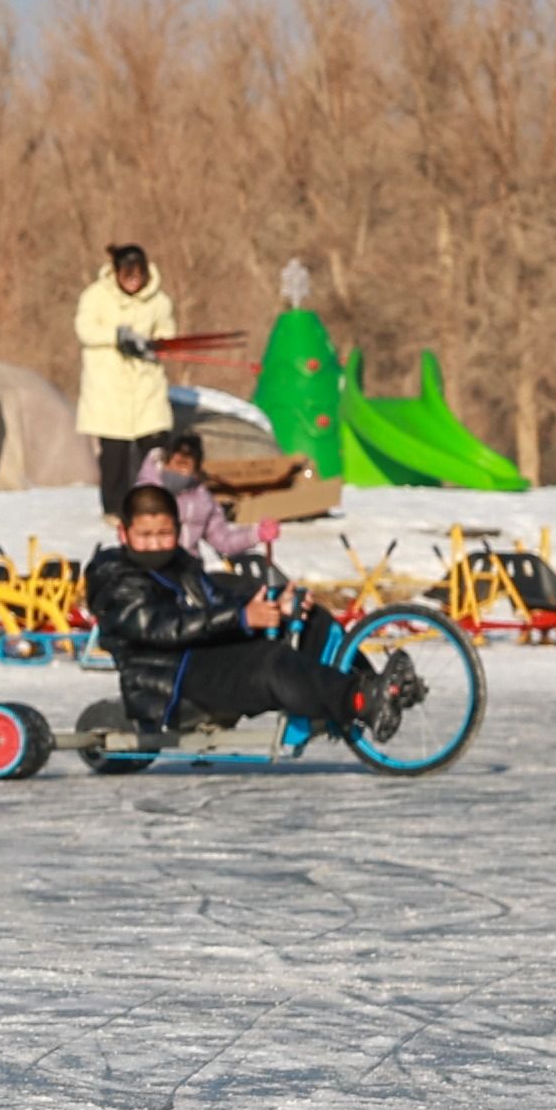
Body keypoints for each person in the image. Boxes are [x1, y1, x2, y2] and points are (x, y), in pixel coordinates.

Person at [87, 482, 418, 740]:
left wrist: (276, 604)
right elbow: (163, 627)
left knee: (309, 621)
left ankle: (377, 686)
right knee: (268, 663)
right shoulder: (116, 579)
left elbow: (217, 600)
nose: (157, 544)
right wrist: (242, 618)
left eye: (164, 534)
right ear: (123, 534)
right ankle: (358, 700)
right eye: (145, 536)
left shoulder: (181, 564)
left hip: (202, 655)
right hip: (169, 681)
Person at [74, 243, 178, 518]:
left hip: (146, 388)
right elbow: (85, 330)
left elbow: (167, 333)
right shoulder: (95, 296)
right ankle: (114, 509)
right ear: (117, 273)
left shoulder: (159, 301)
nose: (133, 281)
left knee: (155, 449)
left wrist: (154, 346)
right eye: (127, 275)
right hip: (108, 390)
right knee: (114, 456)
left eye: (138, 276)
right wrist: (116, 337)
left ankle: (155, 502)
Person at [136, 429, 274, 563]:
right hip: (151, 566)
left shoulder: (202, 499)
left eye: (185, 467)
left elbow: (223, 540)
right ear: (164, 461)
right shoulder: (143, 494)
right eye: (176, 464)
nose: (179, 472)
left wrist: (255, 534)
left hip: (187, 570)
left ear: (195, 470)